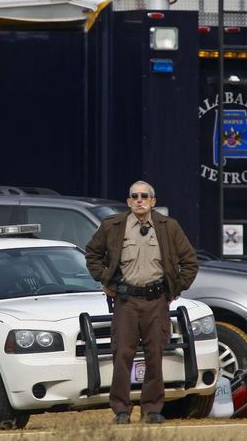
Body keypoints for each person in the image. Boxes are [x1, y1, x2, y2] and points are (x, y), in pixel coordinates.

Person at [85, 180, 198, 424]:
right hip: (125, 300)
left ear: (153, 201)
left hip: (156, 300)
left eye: (144, 196)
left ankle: (152, 409)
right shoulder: (113, 226)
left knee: (155, 354)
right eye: (134, 196)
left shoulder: (169, 227)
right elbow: (92, 253)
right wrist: (106, 279)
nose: (139, 200)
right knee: (121, 355)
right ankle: (121, 410)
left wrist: (175, 288)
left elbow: (190, 261)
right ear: (128, 201)